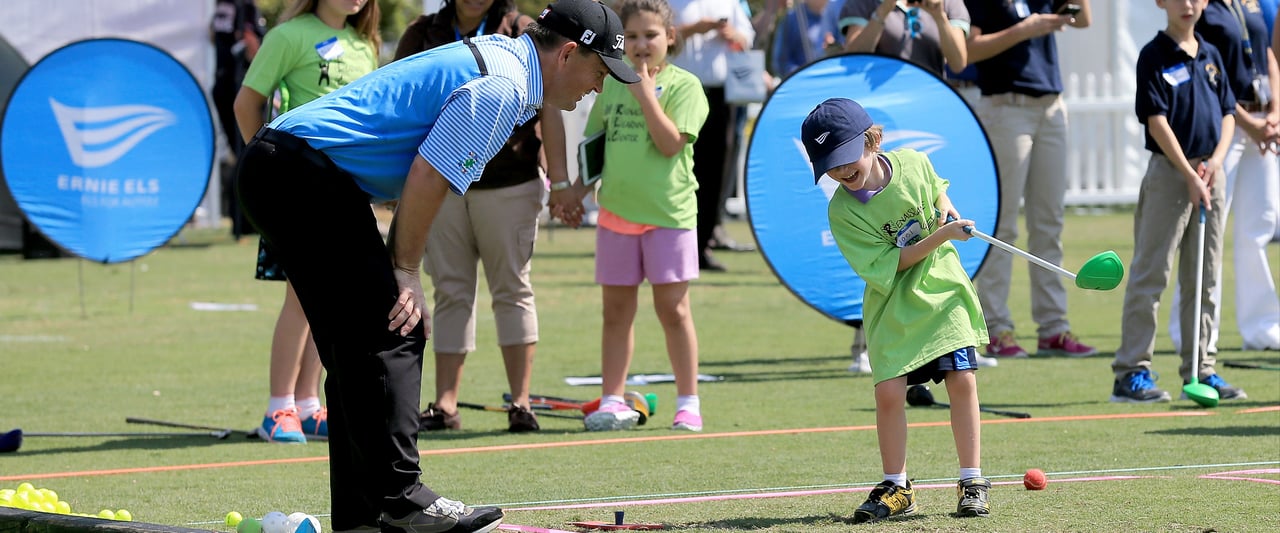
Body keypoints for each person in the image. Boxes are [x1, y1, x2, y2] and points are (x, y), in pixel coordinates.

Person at [233, 0, 638, 529]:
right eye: (600, 72)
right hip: (301, 174)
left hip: (287, 169)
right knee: (397, 328)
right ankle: (400, 500)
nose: (598, 87)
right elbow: (428, 176)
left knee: (356, 349)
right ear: (567, 54)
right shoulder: (504, 85)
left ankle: (361, 516)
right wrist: (405, 272)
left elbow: (419, 170)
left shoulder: (505, 60)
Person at [801, 98, 990, 522]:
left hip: (944, 295)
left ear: (874, 140)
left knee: (962, 380)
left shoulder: (914, 161)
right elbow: (896, 263)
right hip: (892, 305)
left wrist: (945, 202)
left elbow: (934, 182)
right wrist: (942, 236)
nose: (842, 172)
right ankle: (897, 486)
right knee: (889, 394)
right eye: (829, 166)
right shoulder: (842, 212)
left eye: (847, 158)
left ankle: (972, 479)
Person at [395, 0, 572, 434]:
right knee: (449, 290)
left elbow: (550, 109)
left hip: (510, 183)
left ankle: (522, 402)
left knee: (512, 289)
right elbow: (405, 103)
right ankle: (445, 403)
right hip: (441, 183)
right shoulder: (422, 32)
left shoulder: (527, 32)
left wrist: (562, 181)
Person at [233, 0, 382, 444]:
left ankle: (309, 404)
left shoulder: (364, 45)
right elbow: (247, 103)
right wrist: (266, 165)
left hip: (348, 192)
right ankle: (278, 409)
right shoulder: (288, 35)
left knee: (331, 301)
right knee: (301, 300)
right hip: (296, 191)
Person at [575, 0, 709, 433]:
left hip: (669, 216)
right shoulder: (609, 82)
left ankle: (688, 402)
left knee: (673, 311)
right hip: (615, 215)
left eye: (650, 35)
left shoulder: (686, 86)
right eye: (631, 37)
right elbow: (596, 145)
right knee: (615, 313)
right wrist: (573, 192)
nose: (640, 44)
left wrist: (645, 95)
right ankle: (612, 400)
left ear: (669, 37)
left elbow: (671, 145)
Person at [1111, 0, 1243, 403]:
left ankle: (1201, 369)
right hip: (1172, 176)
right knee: (1152, 274)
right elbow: (1156, 119)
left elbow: (1228, 113)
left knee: (1204, 278)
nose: (1187, 5)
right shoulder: (1153, 55)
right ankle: (1132, 372)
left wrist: (1215, 164)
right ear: (1160, 3)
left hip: (1210, 176)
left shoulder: (1211, 54)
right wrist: (1188, 173)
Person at [963, 0, 1097, 358]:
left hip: (1051, 106)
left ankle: (1053, 328)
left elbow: (1083, 19)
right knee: (1002, 225)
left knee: (1049, 224)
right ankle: (994, 327)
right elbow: (968, 50)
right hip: (1005, 108)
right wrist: (1025, 30)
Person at [1167, 0, 1280, 353]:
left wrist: (1275, 110)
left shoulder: (1252, 2)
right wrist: (1250, 123)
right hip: (1225, 129)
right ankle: (1195, 331)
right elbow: (1208, 71)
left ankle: (1262, 326)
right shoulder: (1203, 7)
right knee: (1207, 231)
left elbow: (1267, 54)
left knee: (1258, 226)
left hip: (1262, 125)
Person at [668, 0, 755, 271]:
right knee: (678, 170)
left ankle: (701, 246)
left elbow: (748, 39)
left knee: (715, 173)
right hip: (678, 91)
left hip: (719, 95)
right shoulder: (669, 3)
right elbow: (655, 38)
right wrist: (692, 29)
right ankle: (671, 247)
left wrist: (733, 36)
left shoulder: (727, 2)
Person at [211, 0, 265, 238]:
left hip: (224, 85)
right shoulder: (246, 9)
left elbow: (212, 35)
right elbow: (253, 49)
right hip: (239, 87)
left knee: (242, 155)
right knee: (249, 154)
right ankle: (245, 222)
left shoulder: (222, 7)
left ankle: (242, 220)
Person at [839, 0, 968, 76]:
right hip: (882, 103)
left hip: (931, 99)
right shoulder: (863, 2)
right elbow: (853, 58)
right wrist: (883, 11)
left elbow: (958, 64)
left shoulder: (949, 2)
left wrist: (940, 18)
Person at [772, 0, 833, 77]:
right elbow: (781, 62)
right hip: (801, 83)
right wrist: (803, 75)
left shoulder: (835, 15)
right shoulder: (792, 19)